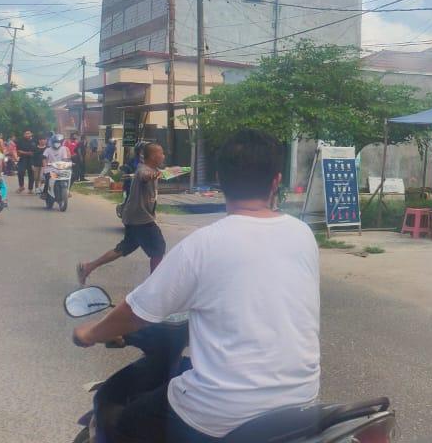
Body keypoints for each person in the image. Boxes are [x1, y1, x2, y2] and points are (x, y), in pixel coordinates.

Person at [72, 128, 321, 442]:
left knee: (122, 419)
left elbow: (137, 312)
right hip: (300, 405)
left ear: (220, 180)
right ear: (276, 181)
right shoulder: (303, 235)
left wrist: (89, 333)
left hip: (218, 412)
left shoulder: (203, 245)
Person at [77, 143, 168, 283]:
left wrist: (165, 172)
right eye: (160, 153)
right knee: (158, 248)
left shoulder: (152, 169)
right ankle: (153, 286)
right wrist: (160, 174)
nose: (163, 156)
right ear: (153, 156)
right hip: (141, 220)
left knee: (123, 249)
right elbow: (145, 176)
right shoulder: (143, 170)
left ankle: (88, 267)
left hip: (135, 218)